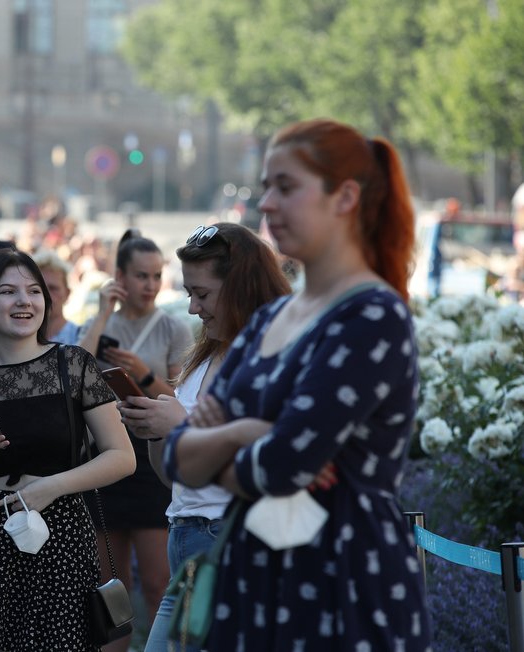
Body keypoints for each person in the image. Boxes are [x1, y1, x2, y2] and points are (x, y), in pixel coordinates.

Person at [165, 119, 432, 650]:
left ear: (345, 198)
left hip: (339, 586)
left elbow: (282, 466)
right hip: (252, 585)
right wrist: (252, 432)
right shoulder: (272, 318)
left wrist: (225, 437)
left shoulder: (371, 315)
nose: (266, 203)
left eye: (285, 187)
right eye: (266, 187)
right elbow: (177, 456)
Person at [0, 248, 136, 651]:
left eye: (34, 291)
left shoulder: (74, 365)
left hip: (61, 533)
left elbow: (122, 457)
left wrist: (50, 488)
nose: (24, 301)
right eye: (8, 292)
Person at [114, 223, 291, 651]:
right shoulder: (203, 357)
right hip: (188, 538)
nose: (192, 308)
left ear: (242, 289)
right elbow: (170, 478)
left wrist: (179, 428)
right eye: (189, 293)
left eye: (203, 294)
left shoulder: (274, 357)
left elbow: (278, 463)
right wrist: (156, 432)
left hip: (229, 542)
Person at [78, 231, 192, 649]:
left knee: (159, 582)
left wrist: (141, 373)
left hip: (149, 460)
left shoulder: (173, 328)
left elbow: (182, 401)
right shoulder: (100, 324)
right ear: (119, 278)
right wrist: (103, 314)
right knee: (111, 586)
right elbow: (73, 376)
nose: (150, 285)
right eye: (140, 276)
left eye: (157, 275)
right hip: (103, 457)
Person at [33, 249, 80, 345]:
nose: (45, 294)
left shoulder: (80, 336)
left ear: (67, 294)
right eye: (38, 289)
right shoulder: (20, 337)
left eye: (53, 288)